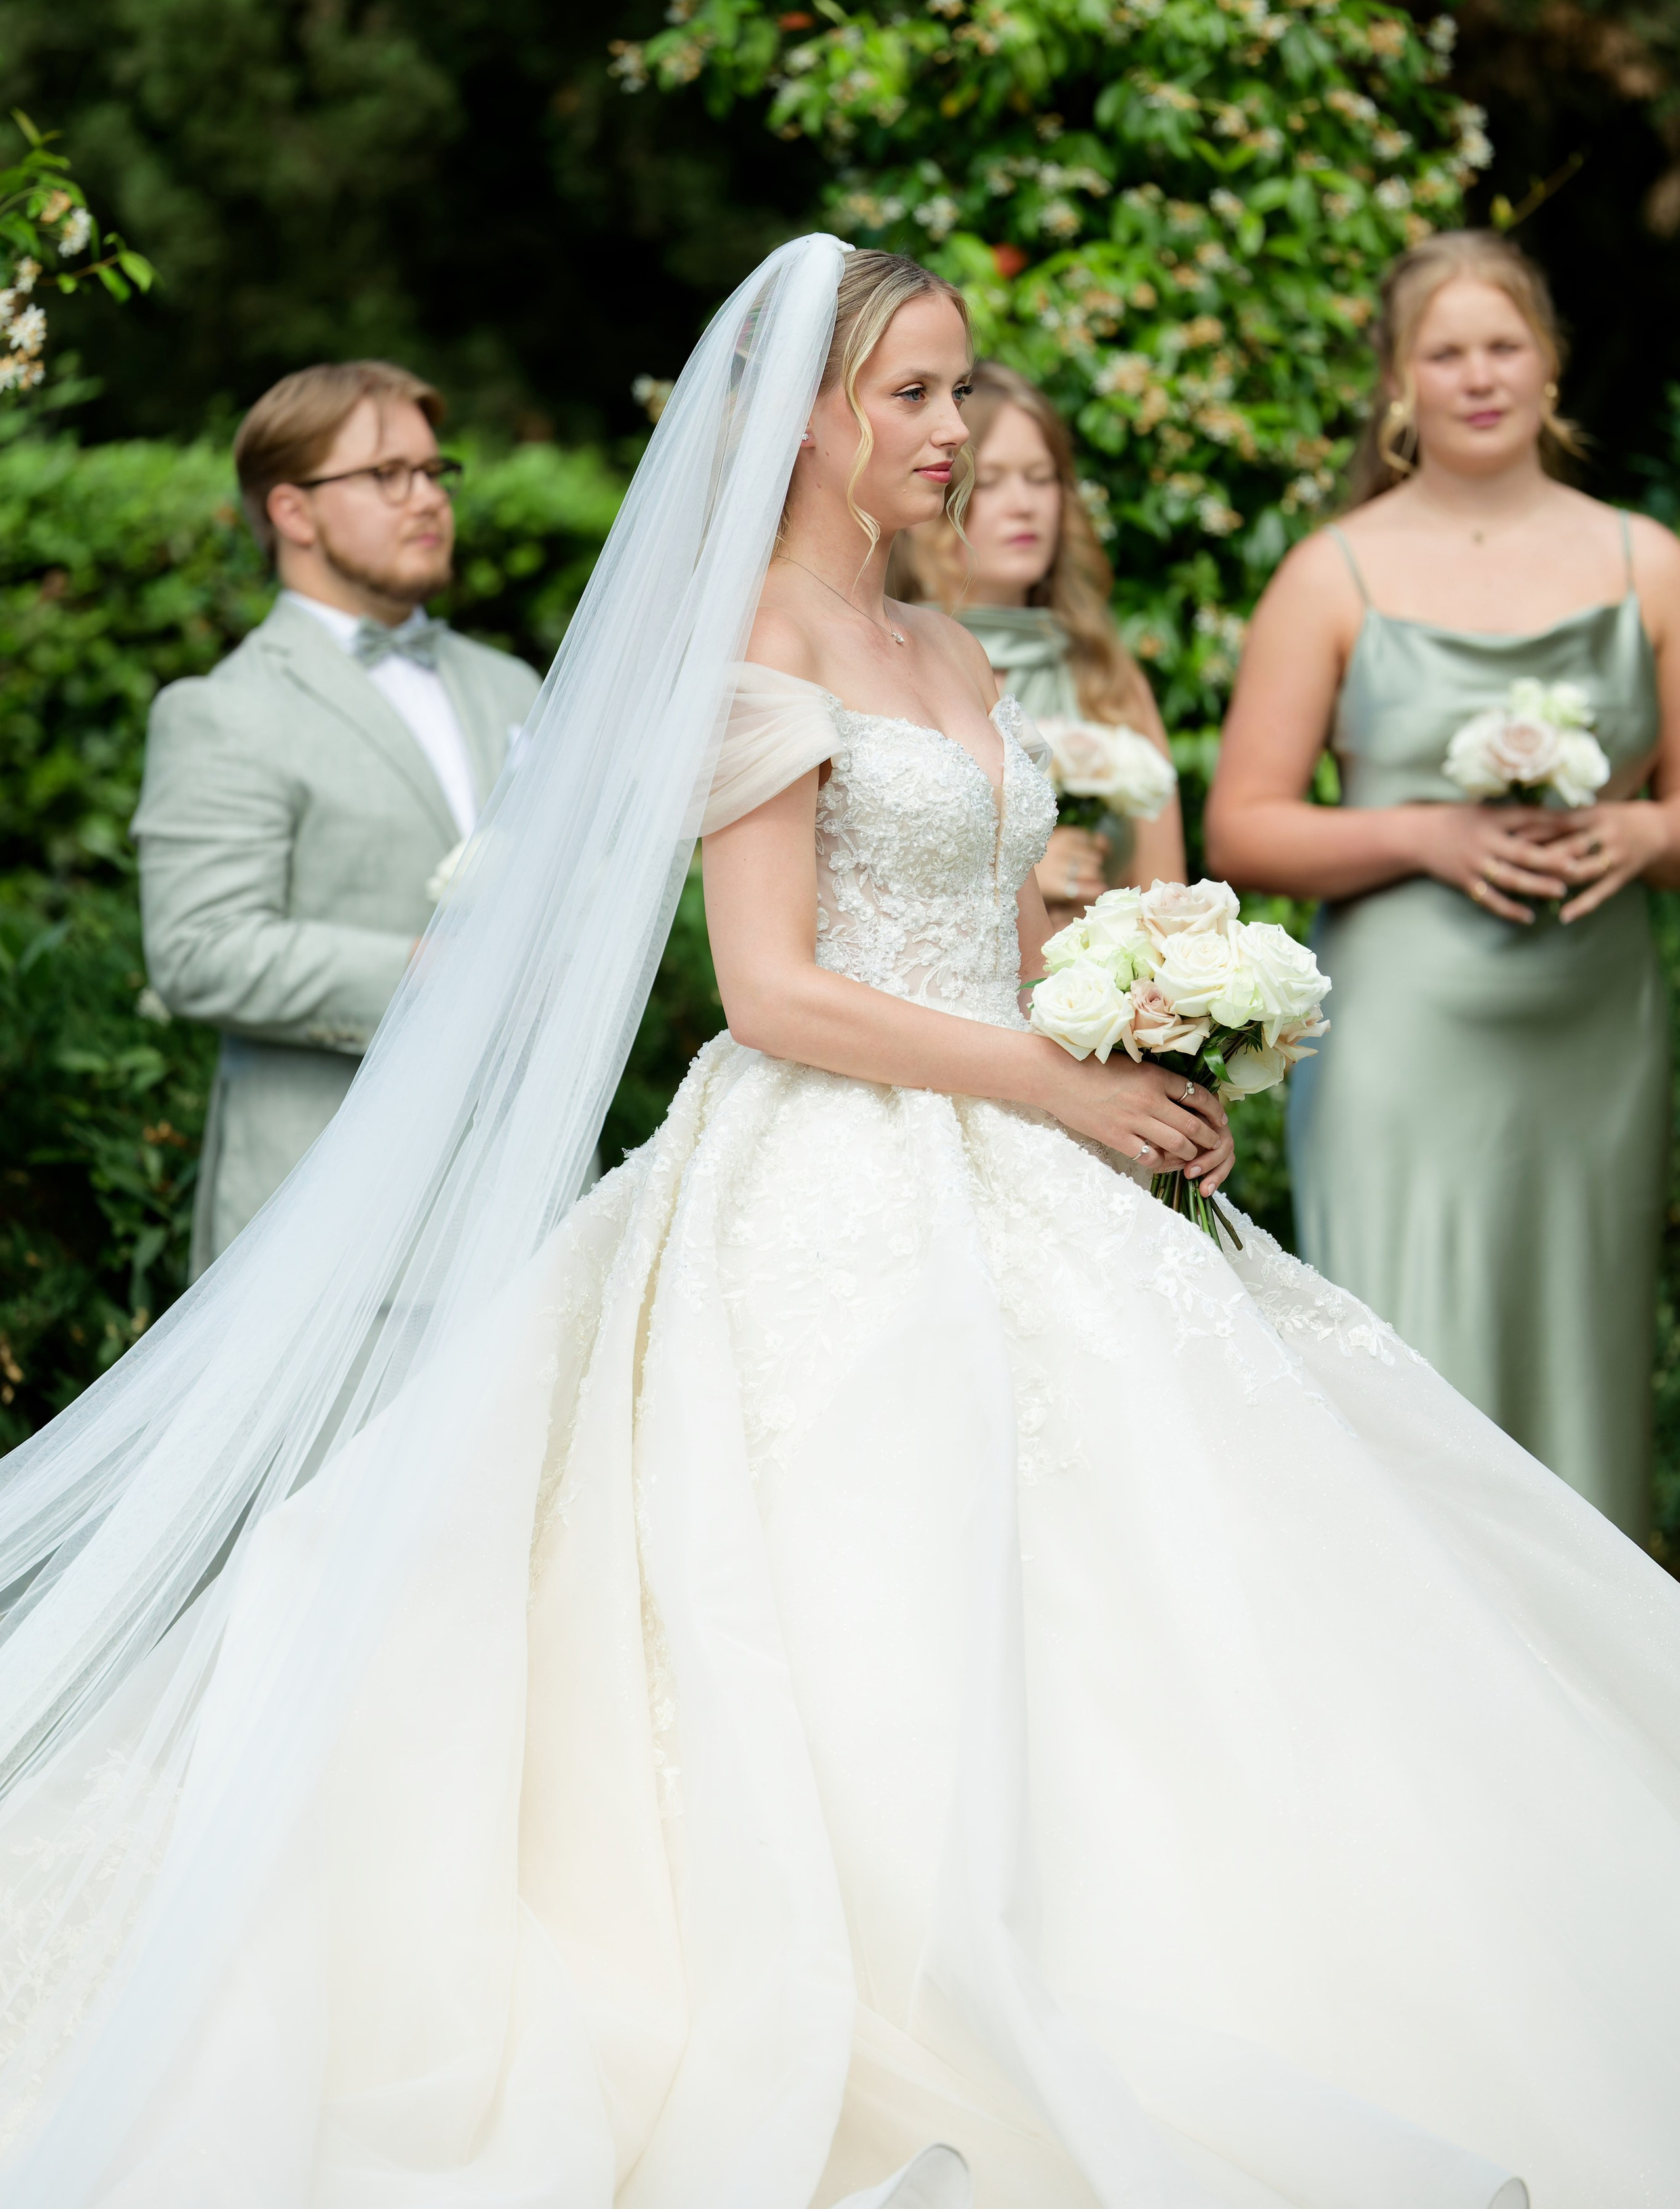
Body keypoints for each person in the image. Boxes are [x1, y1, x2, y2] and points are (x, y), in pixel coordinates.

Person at [0, 239, 1677, 2209]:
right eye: (916, 395)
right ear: (804, 415)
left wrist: (1128, 988)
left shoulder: (956, 652)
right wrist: (1050, 1078)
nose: (957, 432)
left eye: (963, 393)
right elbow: (776, 987)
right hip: (824, 1176)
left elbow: (983, 920)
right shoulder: (752, 656)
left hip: (1030, 1148)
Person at [1206, 229, 1680, 1543]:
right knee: (1402, 1343)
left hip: (1590, 1036)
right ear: (1398, 388)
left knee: (1578, 1348)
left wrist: (1642, 838)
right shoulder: (1332, 572)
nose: (1476, 376)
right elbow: (1240, 822)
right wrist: (1424, 837)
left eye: (1501, 345)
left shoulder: (1648, 564)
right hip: (1398, 1039)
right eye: (1443, 353)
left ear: (1547, 366)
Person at [131, 360, 541, 1274]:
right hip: (323, 1241)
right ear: (292, 511)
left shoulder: (514, 686)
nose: (427, 498)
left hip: (528, 1210)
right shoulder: (223, 710)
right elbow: (200, 950)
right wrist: (427, 972)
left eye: (436, 472)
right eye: (386, 474)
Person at [893, 358, 1185, 908]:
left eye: (1041, 478)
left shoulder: (1105, 674)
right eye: (993, 480)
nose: (1024, 506)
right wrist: (1023, 877)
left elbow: (1167, 897)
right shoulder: (890, 659)